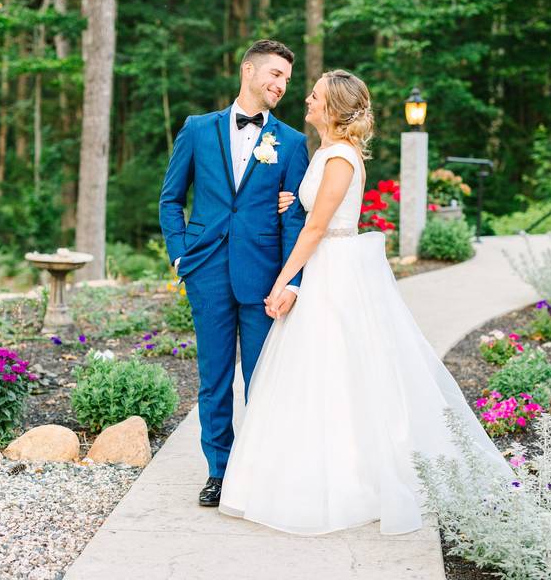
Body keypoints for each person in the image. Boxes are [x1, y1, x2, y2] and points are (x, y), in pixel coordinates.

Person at [217, 69, 513, 535]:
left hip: (332, 268)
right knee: (323, 370)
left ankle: (349, 480)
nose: (307, 102)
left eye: (314, 97)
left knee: (334, 370)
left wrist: (283, 279)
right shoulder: (330, 153)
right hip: (328, 264)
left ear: (333, 110)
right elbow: (318, 211)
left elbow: (317, 228)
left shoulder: (338, 157)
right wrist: (295, 200)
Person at [158, 39, 310, 507]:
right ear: (248, 71)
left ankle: (263, 471)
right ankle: (219, 473)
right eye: (274, 75)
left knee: (264, 379)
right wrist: (181, 255)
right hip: (205, 271)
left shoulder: (293, 142)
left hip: (265, 278)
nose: (281, 85)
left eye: (286, 78)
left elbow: (297, 218)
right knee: (214, 378)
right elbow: (170, 199)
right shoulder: (197, 130)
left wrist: (293, 281)